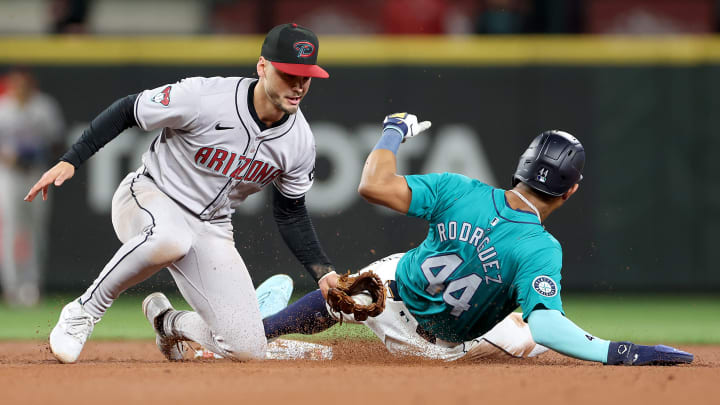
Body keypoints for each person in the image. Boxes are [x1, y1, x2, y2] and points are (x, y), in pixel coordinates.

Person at [259, 113, 694, 365]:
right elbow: (548, 326)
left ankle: (261, 332)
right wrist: (622, 352)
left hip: (382, 295)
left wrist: (394, 129)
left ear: (520, 167)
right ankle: (278, 341)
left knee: (363, 283)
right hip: (433, 349)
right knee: (528, 338)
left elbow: (373, 184)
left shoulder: (459, 189)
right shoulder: (540, 248)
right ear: (571, 190)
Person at [25, 23, 340, 363]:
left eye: (306, 77)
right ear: (262, 67)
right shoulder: (206, 98)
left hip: (211, 228)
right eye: (288, 73)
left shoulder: (300, 142)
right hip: (148, 196)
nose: (298, 85)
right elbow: (129, 109)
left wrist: (324, 273)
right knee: (170, 238)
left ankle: (168, 321)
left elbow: (290, 212)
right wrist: (72, 160)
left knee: (249, 349)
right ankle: (83, 312)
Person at [0, 68, 65, 307]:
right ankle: (12, 286)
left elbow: (58, 140)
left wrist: (40, 152)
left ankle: (31, 286)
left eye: (23, 84)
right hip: (9, 176)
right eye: (15, 84)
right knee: (11, 232)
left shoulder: (43, 107)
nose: (19, 88)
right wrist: (10, 157)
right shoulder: (3, 108)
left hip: (38, 173)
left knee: (36, 231)